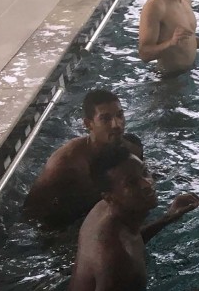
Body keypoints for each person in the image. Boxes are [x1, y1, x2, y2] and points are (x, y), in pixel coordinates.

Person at [56, 145, 199, 291]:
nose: (147, 184)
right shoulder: (117, 262)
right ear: (110, 196)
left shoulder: (103, 211)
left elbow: (132, 238)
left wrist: (169, 218)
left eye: (145, 172)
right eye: (131, 183)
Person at [24, 89, 143, 227]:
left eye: (120, 115)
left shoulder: (132, 147)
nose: (117, 124)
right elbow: (31, 213)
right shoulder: (65, 164)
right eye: (105, 118)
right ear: (88, 124)